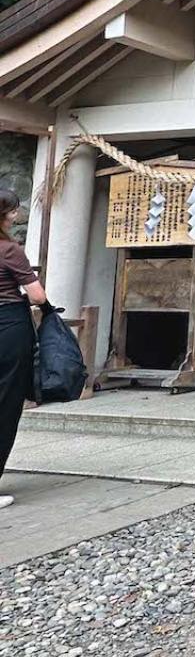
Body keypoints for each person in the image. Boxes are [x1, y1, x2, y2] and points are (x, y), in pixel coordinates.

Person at [0, 187, 61, 510]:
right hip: (8, 327)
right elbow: (37, 295)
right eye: (11, 211)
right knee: (5, 404)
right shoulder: (9, 250)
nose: (15, 216)